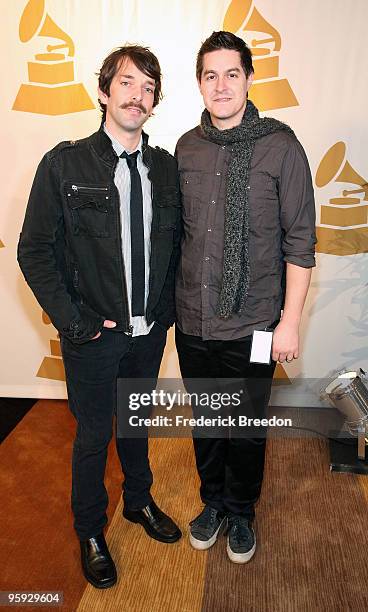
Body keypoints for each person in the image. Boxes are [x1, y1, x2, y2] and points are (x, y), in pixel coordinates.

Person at [18, 45, 182, 589]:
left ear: (154, 103)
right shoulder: (64, 163)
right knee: (93, 435)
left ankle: (137, 500)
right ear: (105, 91)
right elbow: (35, 251)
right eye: (128, 83)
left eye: (148, 88)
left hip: (147, 331)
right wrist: (77, 321)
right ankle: (89, 529)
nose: (138, 95)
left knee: (136, 423)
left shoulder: (164, 168)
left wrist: (164, 313)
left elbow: (175, 243)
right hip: (93, 335)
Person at [175, 31, 316, 564]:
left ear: (250, 79)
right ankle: (212, 502)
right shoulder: (187, 147)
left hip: (257, 322)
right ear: (200, 84)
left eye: (231, 73)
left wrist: (291, 321)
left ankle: (241, 511)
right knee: (208, 421)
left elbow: (301, 241)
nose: (221, 85)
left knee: (246, 427)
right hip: (194, 320)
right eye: (210, 75)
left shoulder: (282, 146)